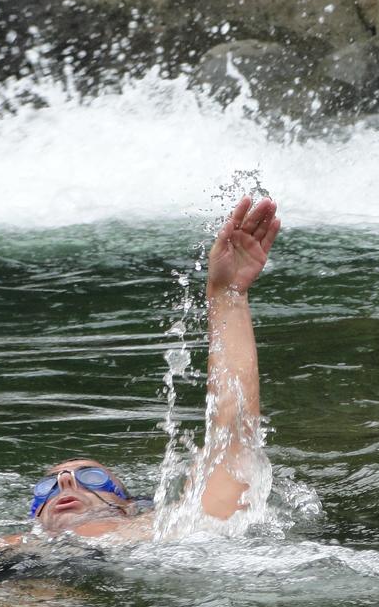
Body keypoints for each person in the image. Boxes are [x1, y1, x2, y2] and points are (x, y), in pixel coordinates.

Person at [15, 196, 281, 542]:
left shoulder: (165, 529)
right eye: (47, 486)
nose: (65, 482)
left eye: (92, 478)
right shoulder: (6, 547)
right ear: (35, 515)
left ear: (126, 505)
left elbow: (232, 435)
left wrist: (227, 294)